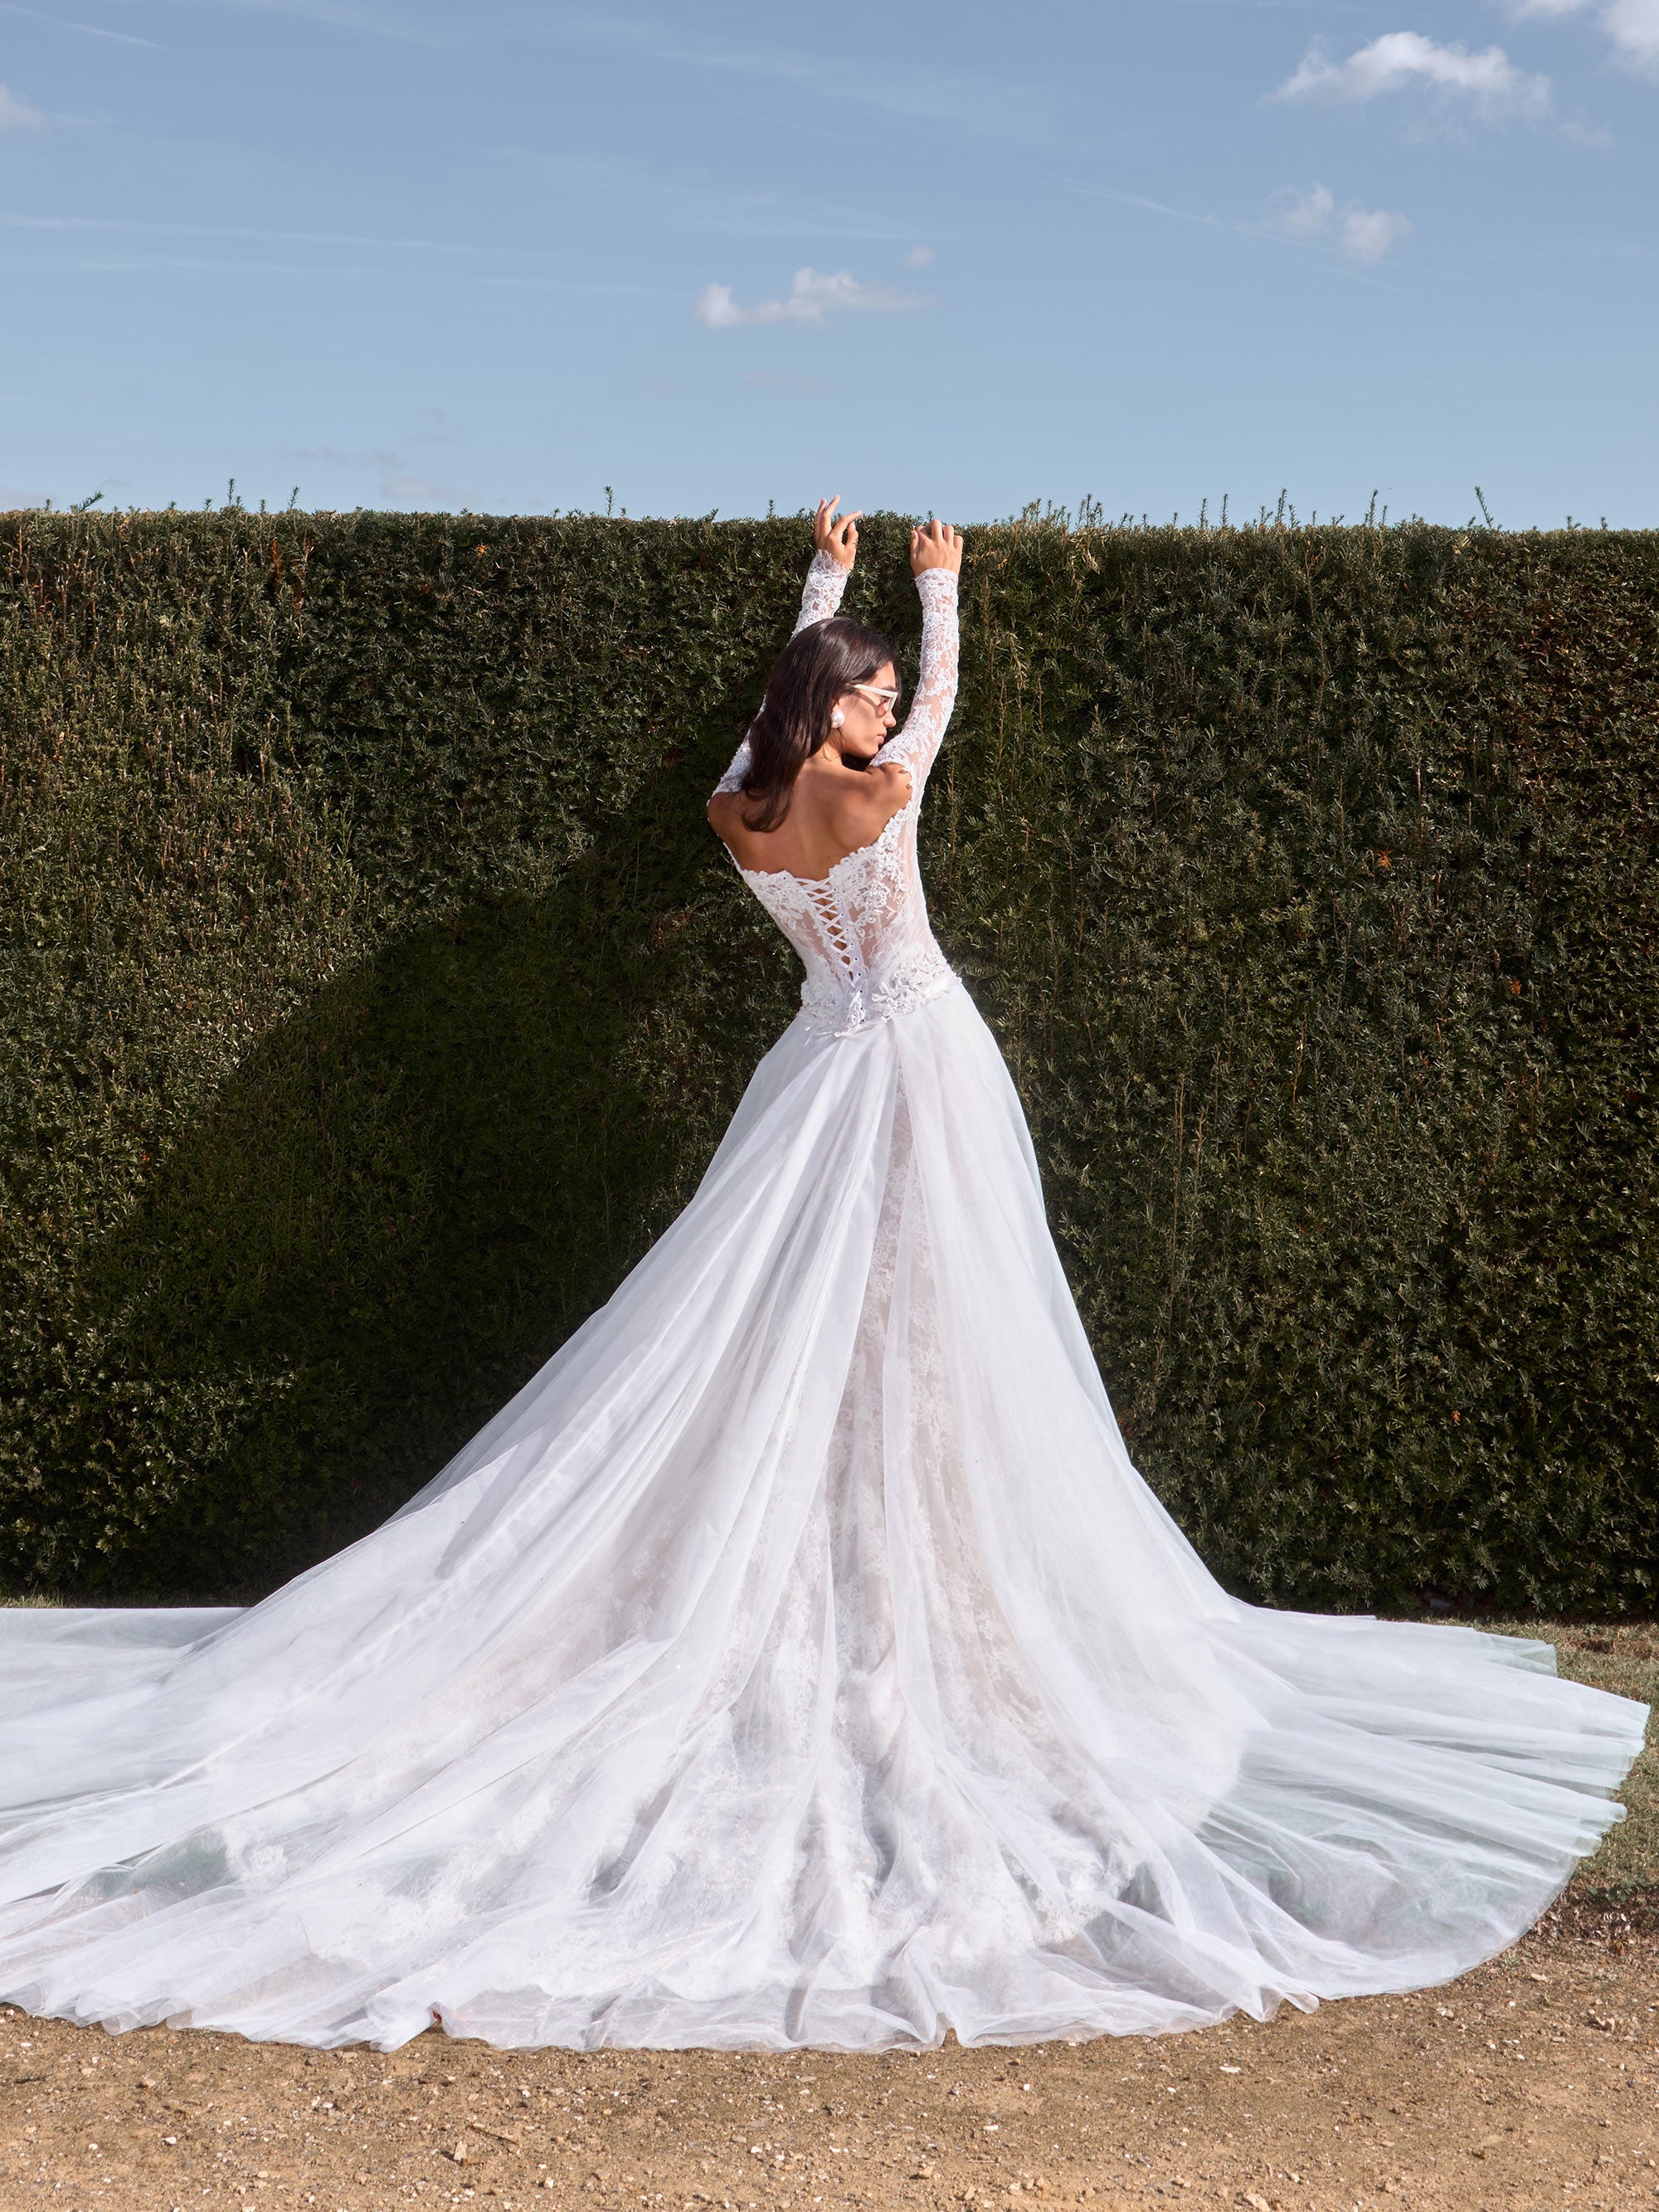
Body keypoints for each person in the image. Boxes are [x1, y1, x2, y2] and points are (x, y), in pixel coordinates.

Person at [0, 499, 1645, 2054]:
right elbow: (934, 725)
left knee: (823, 1333)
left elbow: (749, 747)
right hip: (915, 1070)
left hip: (814, 1066)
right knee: (930, 1333)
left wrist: (815, 595)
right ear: (839, 714)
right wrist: (938, 589)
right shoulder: (868, 790)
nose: (873, 715)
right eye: (851, 697)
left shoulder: (745, 814)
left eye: (862, 700)